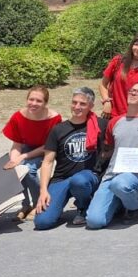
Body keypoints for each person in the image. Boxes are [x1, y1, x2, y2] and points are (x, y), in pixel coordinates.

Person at [85, 83, 138, 229]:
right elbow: (109, 150)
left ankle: (136, 209)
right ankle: (120, 203)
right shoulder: (115, 121)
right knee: (94, 221)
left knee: (121, 184)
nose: (134, 93)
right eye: (132, 90)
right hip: (112, 175)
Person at [33, 87, 102, 229]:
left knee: (79, 181)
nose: (77, 107)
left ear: (91, 106)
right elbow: (48, 161)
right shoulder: (58, 129)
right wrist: (43, 191)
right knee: (42, 222)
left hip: (87, 178)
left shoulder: (100, 125)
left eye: (82, 104)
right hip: (62, 178)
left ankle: (84, 206)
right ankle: (57, 206)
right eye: (74, 102)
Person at [2, 86, 63, 221]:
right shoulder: (18, 116)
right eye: (31, 99)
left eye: (39, 101)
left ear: (45, 103)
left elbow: (49, 146)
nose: (34, 103)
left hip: (45, 149)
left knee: (28, 170)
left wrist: (23, 157)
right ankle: (25, 205)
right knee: (16, 169)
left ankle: (37, 203)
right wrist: (14, 161)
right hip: (25, 147)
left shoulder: (54, 118)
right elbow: (17, 144)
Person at [100, 34, 138, 119]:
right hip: (113, 115)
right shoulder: (118, 61)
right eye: (136, 44)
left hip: (136, 117)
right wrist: (106, 101)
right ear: (131, 46)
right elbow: (103, 84)